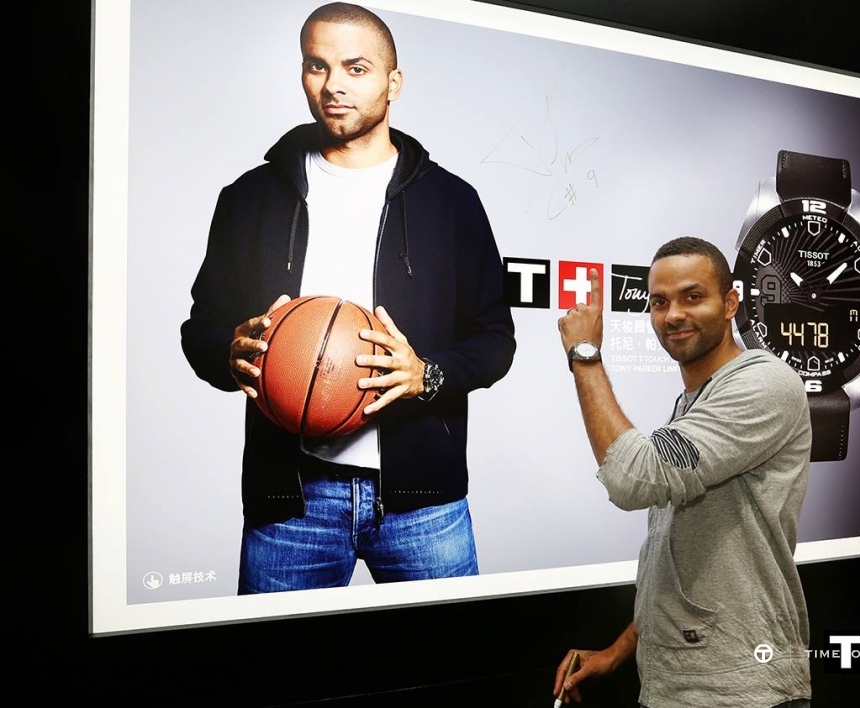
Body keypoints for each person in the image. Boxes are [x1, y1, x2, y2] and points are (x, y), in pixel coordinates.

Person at [180, 3, 515, 593]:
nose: (333, 84)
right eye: (317, 65)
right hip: (291, 504)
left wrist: (426, 377)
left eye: (356, 68)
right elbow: (201, 326)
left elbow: (495, 341)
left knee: (451, 672)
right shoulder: (250, 197)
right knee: (276, 681)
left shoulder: (452, 202)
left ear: (394, 82)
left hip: (423, 506)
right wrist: (227, 354)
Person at [553, 237, 811, 707]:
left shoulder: (764, 384)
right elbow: (688, 567)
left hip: (743, 690)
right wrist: (618, 651)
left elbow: (633, 478)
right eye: (659, 302)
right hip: (683, 685)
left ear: (731, 302)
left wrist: (585, 353)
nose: (672, 315)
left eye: (693, 296)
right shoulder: (694, 402)